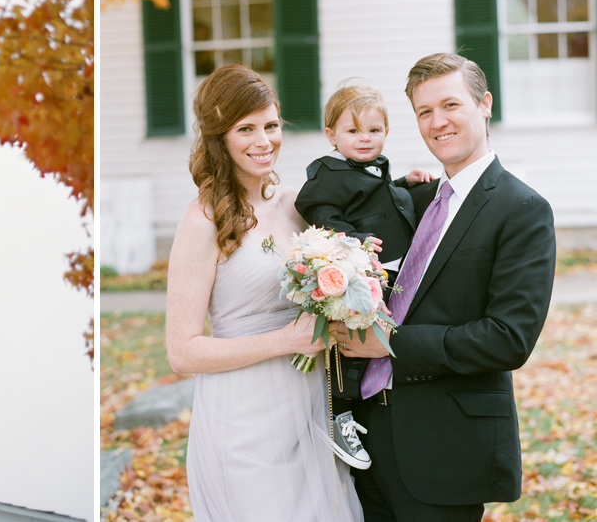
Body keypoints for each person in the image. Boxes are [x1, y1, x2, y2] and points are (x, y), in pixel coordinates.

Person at [336, 52, 556, 522]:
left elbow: (508, 338)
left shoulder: (522, 210)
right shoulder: (415, 199)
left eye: (450, 105)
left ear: (484, 105)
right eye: (424, 112)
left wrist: (390, 344)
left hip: (444, 446)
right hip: (368, 432)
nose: (438, 122)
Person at [166, 64, 362, 521]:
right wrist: (288, 340)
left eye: (271, 126)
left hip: (311, 402)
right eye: (246, 129)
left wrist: (409, 187)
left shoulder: (296, 204)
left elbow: (366, 205)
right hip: (245, 418)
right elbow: (182, 352)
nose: (263, 141)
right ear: (220, 137)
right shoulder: (203, 220)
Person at [295, 85, 433, 470]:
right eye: (353, 131)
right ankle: (340, 417)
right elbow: (321, 213)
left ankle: (373, 404)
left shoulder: (375, 167)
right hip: (356, 272)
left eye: (374, 130)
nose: (365, 139)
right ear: (331, 136)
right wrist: (352, 241)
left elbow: (377, 197)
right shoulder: (329, 173)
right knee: (349, 347)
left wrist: (406, 183)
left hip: (391, 272)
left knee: (381, 341)